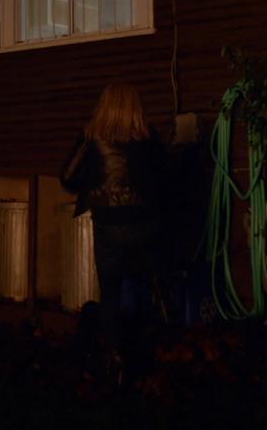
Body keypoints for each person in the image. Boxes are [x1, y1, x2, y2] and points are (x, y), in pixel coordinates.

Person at [59, 83, 167, 385]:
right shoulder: (148, 137)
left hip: (108, 228)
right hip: (146, 228)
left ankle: (117, 359)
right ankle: (146, 358)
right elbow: (165, 178)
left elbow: (66, 177)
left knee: (110, 296)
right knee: (146, 291)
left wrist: (93, 188)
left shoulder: (90, 137)